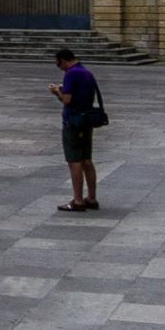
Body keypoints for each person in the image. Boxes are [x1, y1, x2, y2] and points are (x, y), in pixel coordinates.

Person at [48, 48, 100, 212]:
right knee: (87, 160)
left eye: (59, 65)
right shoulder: (86, 72)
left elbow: (67, 99)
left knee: (74, 162)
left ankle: (78, 201)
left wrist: (57, 91)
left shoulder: (70, 74)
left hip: (73, 122)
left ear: (63, 61)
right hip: (86, 121)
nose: (60, 68)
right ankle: (91, 198)